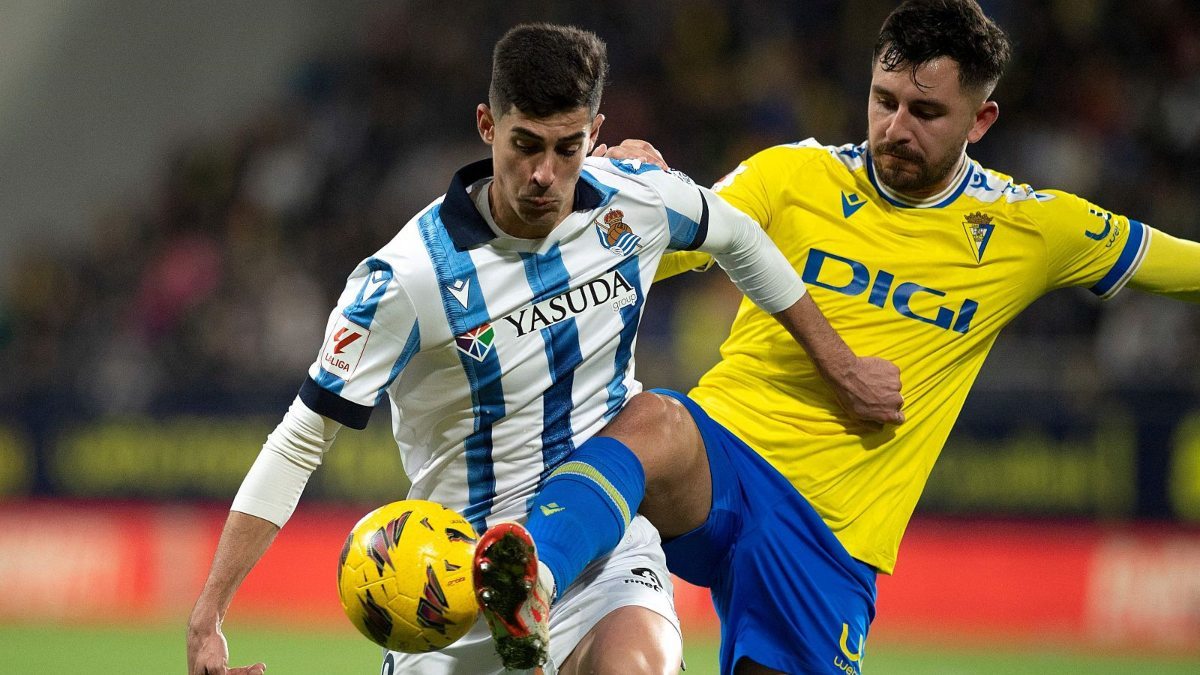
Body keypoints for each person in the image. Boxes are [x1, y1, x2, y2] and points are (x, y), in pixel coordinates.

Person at [185, 23, 903, 675]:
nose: (543, 174)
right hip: (455, 584)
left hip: (604, 557)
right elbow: (300, 440)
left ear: (595, 131)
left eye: (567, 148)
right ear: (486, 125)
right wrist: (209, 615)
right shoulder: (406, 278)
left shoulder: (637, 201)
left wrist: (837, 365)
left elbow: (740, 237)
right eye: (525, 144)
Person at [551, 0, 1200, 673]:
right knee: (652, 418)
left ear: (981, 120)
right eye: (882, 100)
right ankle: (531, 573)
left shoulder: (1033, 229)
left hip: (829, 538)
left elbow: (1184, 267)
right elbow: (644, 247)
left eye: (925, 113)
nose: (894, 128)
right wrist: (614, 188)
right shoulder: (792, 175)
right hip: (724, 460)